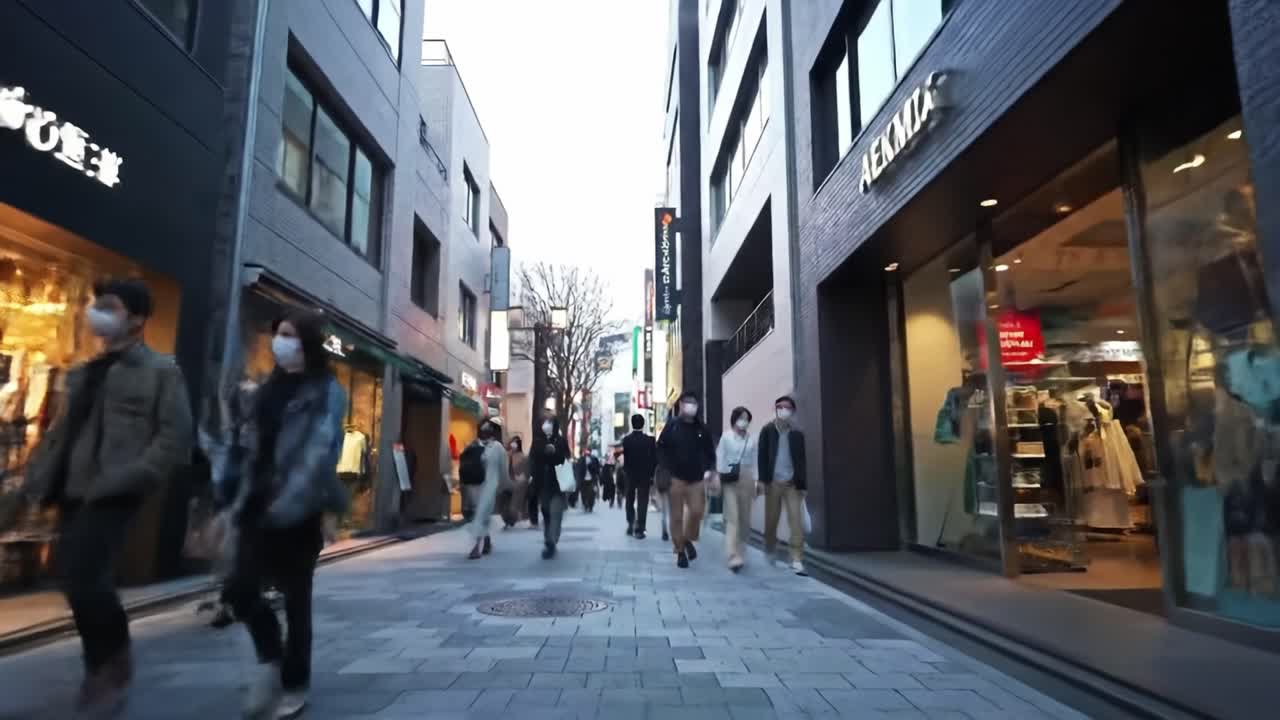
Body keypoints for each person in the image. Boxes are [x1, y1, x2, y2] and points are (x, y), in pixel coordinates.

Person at [0, 279, 192, 716]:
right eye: (96, 305)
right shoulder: (84, 371)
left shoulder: (162, 371)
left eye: (109, 306)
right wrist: (32, 483)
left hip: (116, 489)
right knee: (71, 577)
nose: (97, 313)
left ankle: (108, 664)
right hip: (70, 486)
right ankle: (105, 662)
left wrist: (135, 475)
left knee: (85, 576)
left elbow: (174, 438)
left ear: (138, 319)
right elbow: (59, 435)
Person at [216, 309, 351, 718]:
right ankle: (270, 653)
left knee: (297, 599)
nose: (281, 341)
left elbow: (322, 451)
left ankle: (295, 683)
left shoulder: (327, 390)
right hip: (256, 503)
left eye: (289, 334)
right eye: (278, 334)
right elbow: (245, 447)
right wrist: (229, 502)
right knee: (238, 590)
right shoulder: (266, 390)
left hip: (300, 507)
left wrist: (302, 502)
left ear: (307, 342)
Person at [657, 392, 715, 568]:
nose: (691, 406)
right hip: (676, 477)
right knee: (676, 517)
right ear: (681, 405)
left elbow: (709, 451)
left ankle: (687, 538)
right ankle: (680, 551)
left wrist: (711, 470)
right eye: (687, 402)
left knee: (697, 512)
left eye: (694, 402)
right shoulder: (672, 426)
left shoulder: (702, 428)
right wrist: (665, 467)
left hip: (696, 478)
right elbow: (661, 447)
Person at [758, 395, 809, 575]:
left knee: (796, 522)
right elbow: (762, 457)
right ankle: (770, 548)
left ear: (792, 411)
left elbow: (802, 461)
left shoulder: (797, 434)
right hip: (773, 483)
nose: (783, 410)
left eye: (786, 407)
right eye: (779, 407)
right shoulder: (767, 430)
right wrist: (763, 481)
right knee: (771, 520)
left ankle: (796, 559)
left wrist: (803, 485)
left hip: (792, 484)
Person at [717, 407, 758, 572]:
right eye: (741, 418)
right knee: (733, 517)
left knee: (745, 519)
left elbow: (756, 460)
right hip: (729, 478)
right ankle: (732, 555)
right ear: (734, 419)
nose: (744, 421)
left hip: (746, 477)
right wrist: (719, 477)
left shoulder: (752, 439)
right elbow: (720, 456)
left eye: (747, 418)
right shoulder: (726, 437)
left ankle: (741, 553)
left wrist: (757, 481)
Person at [463, 420, 508, 558]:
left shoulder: (498, 447)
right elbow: (465, 466)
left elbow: (503, 468)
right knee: (481, 514)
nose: (485, 432)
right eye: (483, 429)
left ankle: (476, 547)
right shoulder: (474, 445)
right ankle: (486, 540)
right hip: (475, 486)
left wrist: (504, 486)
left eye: (488, 429)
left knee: (481, 514)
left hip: (490, 486)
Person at [530, 414, 570, 558]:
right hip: (543, 484)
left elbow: (565, 458)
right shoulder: (537, 442)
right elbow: (533, 458)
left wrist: (554, 452)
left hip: (558, 483)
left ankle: (552, 540)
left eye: (550, 423)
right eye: (545, 422)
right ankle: (548, 539)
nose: (547, 425)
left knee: (555, 512)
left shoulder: (560, 441)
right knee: (546, 512)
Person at [621, 414, 656, 539]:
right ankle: (640, 528)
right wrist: (651, 475)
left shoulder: (626, 440)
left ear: (632, 424)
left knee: (629, 500)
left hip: (630, 474)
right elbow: (654, 460)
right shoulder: (649, 440)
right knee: (643, 501)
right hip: (644, 475)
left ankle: (630, 523)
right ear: (643, 424)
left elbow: (625, 458)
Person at [507, 436, 530, 526]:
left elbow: (524, 469)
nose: (513, 445)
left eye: (515, 443)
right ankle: (516, 516)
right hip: (513, 480)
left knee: (517, 499)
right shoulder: (510, 455)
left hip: (520, 480)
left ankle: (517, 516)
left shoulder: (521, 456)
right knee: (516, 499)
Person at [575, 449, 599, 513]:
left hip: (592, 480)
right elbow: (578, 469)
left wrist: (591, 466)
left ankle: (591, 505)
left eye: (588, 451)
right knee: (584, 493)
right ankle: (585, 505)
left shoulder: (594, 459)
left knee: (592, 493)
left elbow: (597, 469)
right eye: (586, 451)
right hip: (583, 480)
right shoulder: (581, 459)